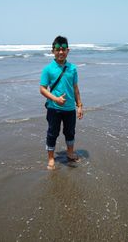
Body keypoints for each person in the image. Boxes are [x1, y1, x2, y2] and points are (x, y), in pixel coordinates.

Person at [40, 36, 83, 170]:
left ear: (68, 50)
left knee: (70, 132)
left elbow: (75, 88)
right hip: (54, 108)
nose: (61, 52)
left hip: (70, 109)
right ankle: (51, 158)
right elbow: (42, 89)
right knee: (52, 133)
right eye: (58, 49)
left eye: (63, 49)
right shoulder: (48, 69)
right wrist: (55, 99)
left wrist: (80, 105)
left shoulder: (72, 68)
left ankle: (70, 153)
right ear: (53, 51)